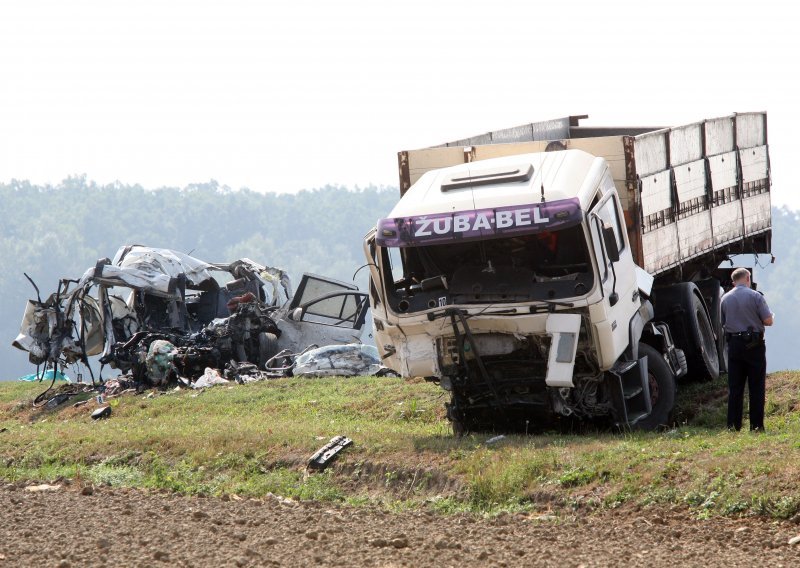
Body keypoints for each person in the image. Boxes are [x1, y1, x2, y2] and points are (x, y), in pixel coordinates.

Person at [720, 268, 774, 432]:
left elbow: (723, 323)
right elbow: (768, 320)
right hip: (754, 345)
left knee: (735, 387)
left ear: (733, 280)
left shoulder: (725, 298)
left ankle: (733, 426)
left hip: (734, 344)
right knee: (756, 386)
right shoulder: (756, 296)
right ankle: (756, 426)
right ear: (748, 278)